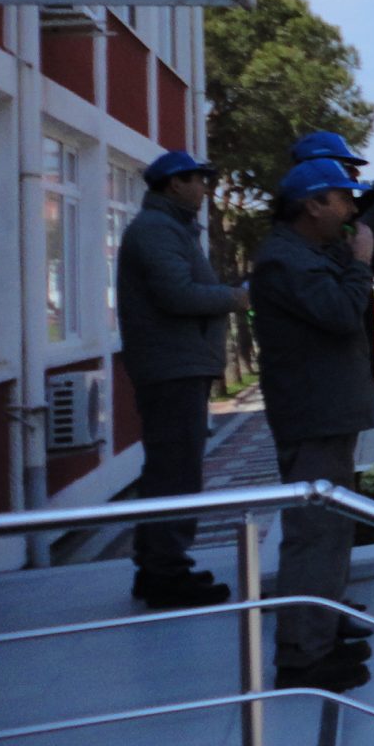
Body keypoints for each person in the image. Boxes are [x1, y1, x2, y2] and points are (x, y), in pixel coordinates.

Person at [252, 158, 374, 692]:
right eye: (341, 198)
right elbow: (338, 311)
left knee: (331, 529)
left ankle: (320, 631)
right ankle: (302, 656)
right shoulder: (285, 262)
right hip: (314, 414)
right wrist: (358, 262)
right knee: (314, 534)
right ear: (312, 204)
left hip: (326, 409)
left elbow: (346, 266)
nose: (350, 208)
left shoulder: (302, 251)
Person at [115, 150, 250, 610]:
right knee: (174, 470)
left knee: (174, 467)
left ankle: (161, 565)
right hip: (170, 367)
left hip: (178, 365)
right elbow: (177, 294)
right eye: (199, 179)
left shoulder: (170, 228)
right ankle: (164, 572)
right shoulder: (156, 230)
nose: (205, 187)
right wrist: (237, 297)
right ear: (174, 183)